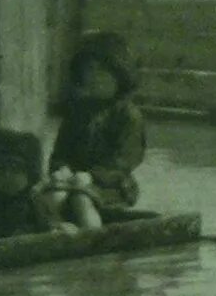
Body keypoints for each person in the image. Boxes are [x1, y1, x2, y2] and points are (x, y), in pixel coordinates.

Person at [47, 31, 149, 219]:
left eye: (101, 71)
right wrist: (61, 170)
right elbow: (60, 152)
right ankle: (55, 231)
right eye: (89, 70)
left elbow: (123, 162)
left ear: (119, 76)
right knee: (52, 196)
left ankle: (89, 239)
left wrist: (91, 176)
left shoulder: (128, 115)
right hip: (73, 180)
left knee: (81, 199)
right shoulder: (77, 111)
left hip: (113, 187)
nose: (93, 77)